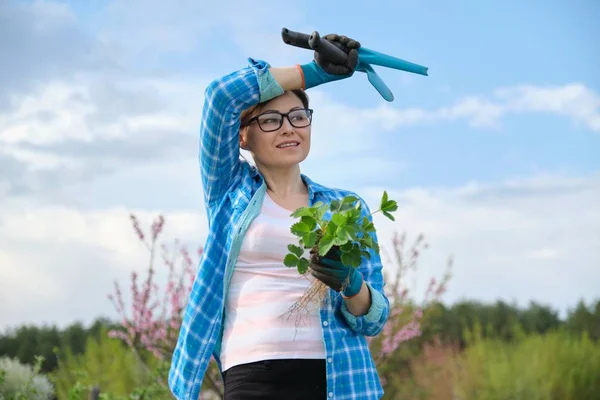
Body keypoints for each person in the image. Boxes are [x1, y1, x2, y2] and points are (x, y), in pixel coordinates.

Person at [168, 33, 390, 400]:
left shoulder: (347, 208)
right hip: (253, 373)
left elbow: (373, 319)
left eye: (298, 116)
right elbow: (219, 97)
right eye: (270, 119)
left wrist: (352, 285)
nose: (288, 127)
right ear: (242, 136)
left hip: (339, 377)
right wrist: (315, 73)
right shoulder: (229, 191)